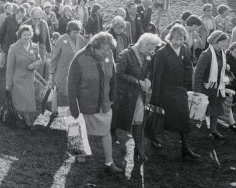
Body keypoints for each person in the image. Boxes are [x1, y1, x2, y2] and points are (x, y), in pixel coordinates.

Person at [68, 32, 122, 172]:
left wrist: (112, 98)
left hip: (103, 103)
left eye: (109, 50)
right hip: (84, 103)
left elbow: (113, 78)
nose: (107, 53)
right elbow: (71, 86)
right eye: (104, 50)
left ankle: (109, 162)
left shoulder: (108, 56)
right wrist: (74, 109)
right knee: (77, 127)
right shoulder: (80, 58)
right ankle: (79, 154)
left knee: (106, 130)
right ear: (95, 46)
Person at [150, 25, 200, 161]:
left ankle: (185, 147)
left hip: (180, 89)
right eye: (175, 39)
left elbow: (188, 67)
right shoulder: (161, 53)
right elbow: (157, 75)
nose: (178, 42)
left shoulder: (185, 50)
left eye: (181, 39)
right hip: (165, 90)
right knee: (160, 117)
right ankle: (154, 138)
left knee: (184, 117)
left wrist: (188, 86)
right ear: (170, 38)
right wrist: (155, 96)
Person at [113, 33, 161, 163]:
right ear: (143, 45)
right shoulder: (125, 54)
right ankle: (113, 137)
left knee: (140, 119)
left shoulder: (147, 56)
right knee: (119, 119)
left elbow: (148, 71)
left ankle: (138, 148)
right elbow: (119, 73)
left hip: (138, 93)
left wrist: (147, 79)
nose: (152, 52)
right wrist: (136, 81)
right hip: (125, 94)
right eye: (151, 48)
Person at [193, 31, 230, 140]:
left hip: (217, 86)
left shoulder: (222, 53)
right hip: (206, 86)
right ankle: (198, 131)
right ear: (215, 41)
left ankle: (213, 130)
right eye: (222, 42)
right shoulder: (207, 54)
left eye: (225, 42)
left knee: (216, 108)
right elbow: (198, 74)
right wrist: (197, 91)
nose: (225, 44)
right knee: (201, 109)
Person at [5, 24, 43, 129]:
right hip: (18, 80)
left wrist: (33, 65)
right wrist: (8, 84)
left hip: (30, 79)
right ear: (19, 35)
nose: (26, 37)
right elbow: (9, 67)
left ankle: (25, 120)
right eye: (24, 35)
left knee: (28, 101)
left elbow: (39, 60)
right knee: (21, 102)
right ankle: (27, 122)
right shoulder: (14, 48)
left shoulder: (34, 46)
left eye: (28, 34)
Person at [48, 21, 86, 121]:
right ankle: (55, 110)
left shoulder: (81, 39)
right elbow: (54, 57)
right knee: (61, 91)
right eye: (74, 32)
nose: (76, 34)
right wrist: (51, 73)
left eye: (78, 32)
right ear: (69, 31)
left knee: (74, 91)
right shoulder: (61, 40)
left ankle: (72, 113)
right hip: (62, 71)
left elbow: (83, 54)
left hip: (76, 70)